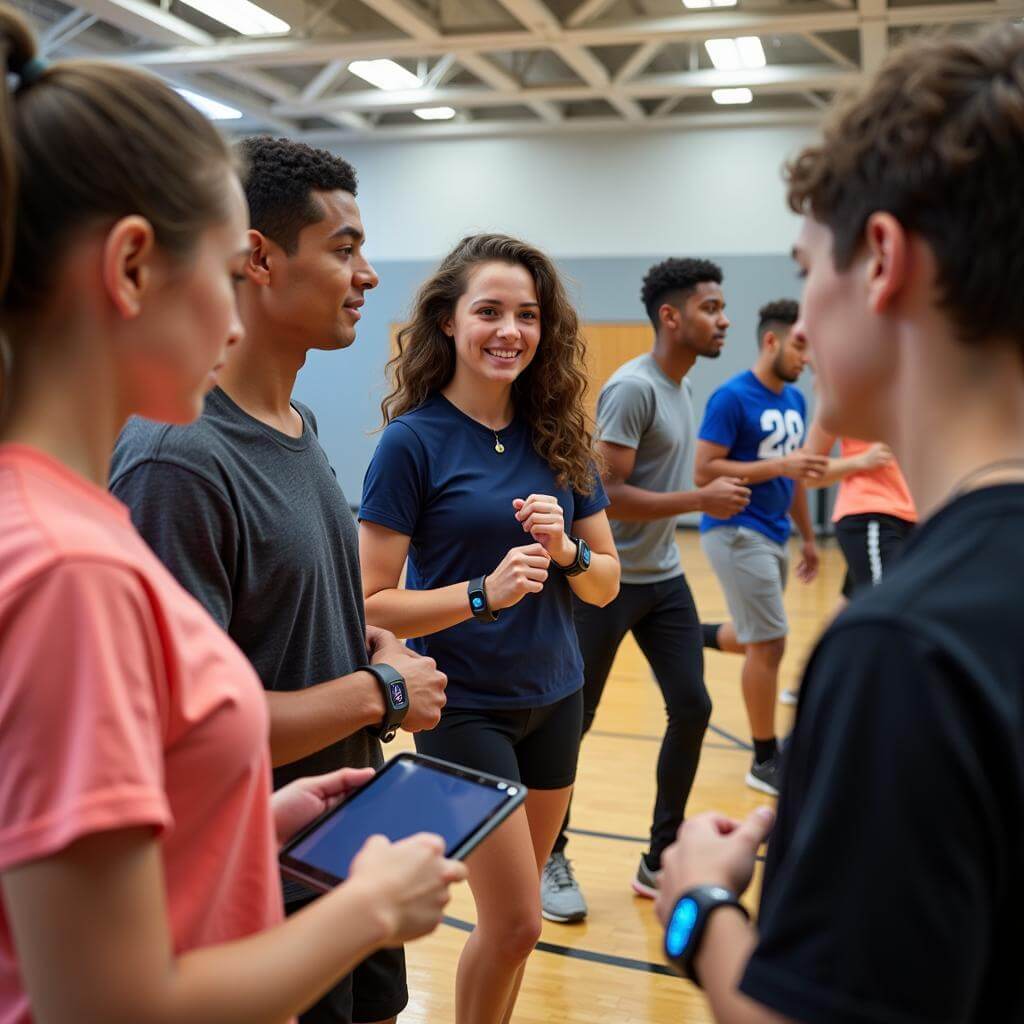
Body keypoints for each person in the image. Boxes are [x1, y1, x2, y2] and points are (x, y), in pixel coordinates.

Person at [0, 11, 464, 1024]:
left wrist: (253, 824)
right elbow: (111, 1003)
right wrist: (371, 908)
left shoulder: (57, 522)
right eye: (221, 273)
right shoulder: (74, 565)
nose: (230, 312)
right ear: (130, 270)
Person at [657, 24, 1024, 1023]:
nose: (802, 329)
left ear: (881, 261)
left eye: (807, 267)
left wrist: (696, 905)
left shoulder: (904, 649)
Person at [109, 135, 448, 1024]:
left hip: (339, 847)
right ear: (257, 257)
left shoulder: (294, 424)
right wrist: (379, 690)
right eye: (344, 249)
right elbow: (190, 734)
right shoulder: (179, 459)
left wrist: (357, 638)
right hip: (251, 887)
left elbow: (278, 624)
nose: (368, 276)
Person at [358, 234, 621, 1024]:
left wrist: (567, 549)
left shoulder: (562, 436)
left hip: (556, 696)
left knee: (514, 935)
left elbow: (606, 586)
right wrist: (480, 594)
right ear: (447, 322)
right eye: (490, 312)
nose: (510, 331)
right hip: (463, 707)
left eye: (528, 315)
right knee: (516, 920)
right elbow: (370, 598)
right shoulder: (413, 442)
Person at [540, 257, 751, 923]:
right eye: (711, 308)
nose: (723, 320)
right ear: (671, 316)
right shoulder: (634, 389)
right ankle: (549, 853)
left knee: (691, 707)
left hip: (662, 579)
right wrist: (702, 498)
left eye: (721, 309)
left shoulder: (683, 387)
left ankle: (659, 858)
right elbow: (612, 497)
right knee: (574, 722)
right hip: (606, 583)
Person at [695, 300, 825, 796]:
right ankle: (764, 757)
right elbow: (704, 470)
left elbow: (797, 478)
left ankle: (693, 635)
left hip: (775, 533)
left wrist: (809, 538)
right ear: (771, 341)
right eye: (799, 345)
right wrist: (775, 468)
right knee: (771, 642)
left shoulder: (794, 401)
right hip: (734, 530)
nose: (805, 358)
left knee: (759, 637)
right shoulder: (731, 399)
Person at [803, 411, 917, 603]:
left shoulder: (916, 395)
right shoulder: (847, 397)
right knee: (891, 602)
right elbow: (807, 474)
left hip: (913, 519)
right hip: (872, 517)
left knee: (852, 604)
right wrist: (861, 461)